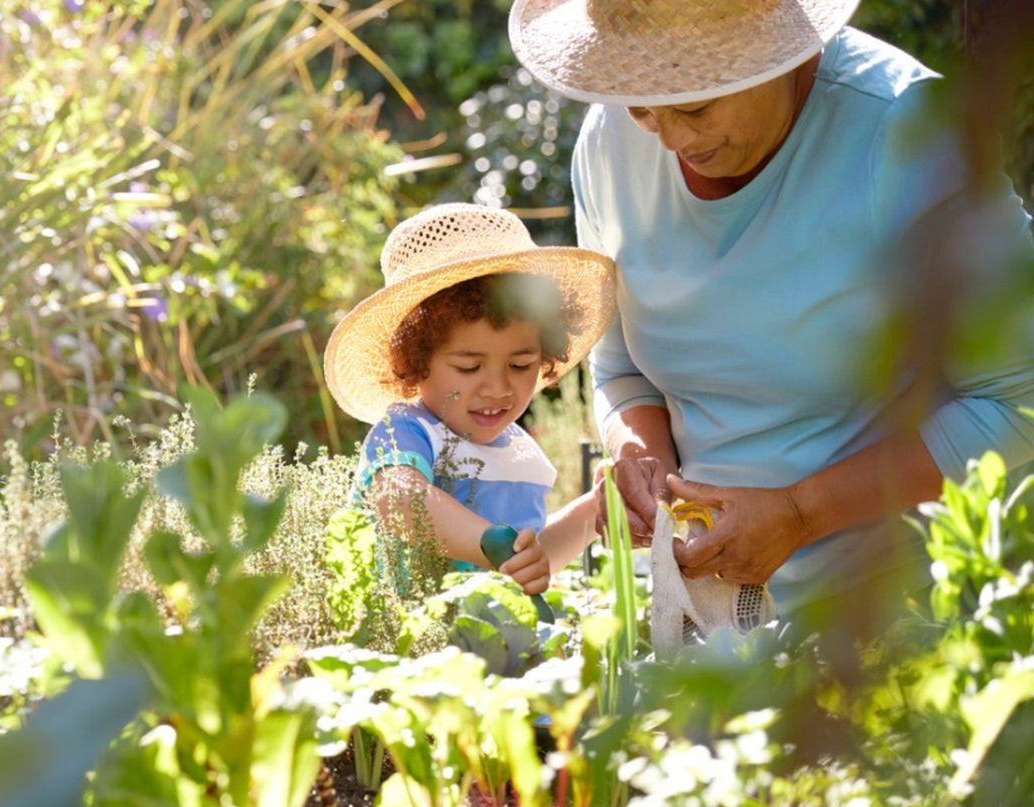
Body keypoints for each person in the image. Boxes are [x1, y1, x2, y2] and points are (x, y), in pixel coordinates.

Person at [509, 0, 1034, 618]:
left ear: (779, 52)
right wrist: (638, 457)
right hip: (709, 620)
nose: (671, 138)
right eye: (643, 107)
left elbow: (1018, 402)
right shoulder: (607, 142)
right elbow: (620, 369)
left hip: (909, 608)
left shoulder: (908, 130)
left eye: (695, 106)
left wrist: (800, 512)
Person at [323, 203, 613, 596]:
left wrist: (595, 510)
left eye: (520, 364)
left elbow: (531, 560)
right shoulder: (408, 431)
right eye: (468, 367)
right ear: (416, 361)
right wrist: (490, 543)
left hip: (496, 647)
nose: (497, 388)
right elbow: (399, 500)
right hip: (415, 646)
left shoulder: (520, 452)